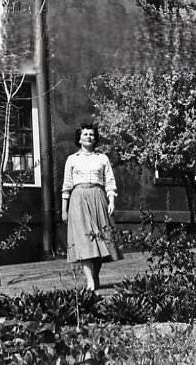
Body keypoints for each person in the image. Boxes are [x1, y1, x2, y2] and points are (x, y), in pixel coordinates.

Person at [61, 123, 122, 290]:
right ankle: (90, 281)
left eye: (91, 134)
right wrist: (64, 209)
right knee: (84, 241)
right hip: (78, 199)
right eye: (85, 134)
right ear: (79, 138)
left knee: (101, 240)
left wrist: (111, 201)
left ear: (95, 139)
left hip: (98, 197)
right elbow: (67, 185)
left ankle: (94, 276)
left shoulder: (102, 158)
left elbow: (110, 181)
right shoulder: (72, 159)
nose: (88, 136)